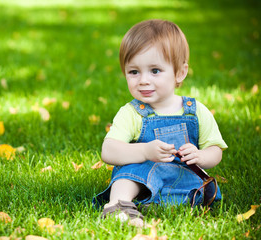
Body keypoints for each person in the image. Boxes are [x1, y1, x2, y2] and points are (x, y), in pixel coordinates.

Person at [92, 19, 227, 223]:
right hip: (143, 176)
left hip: (183, 175)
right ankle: (118, 205)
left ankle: (153, 203)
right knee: (130, 172)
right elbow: (108, 151)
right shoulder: (133, 113)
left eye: (155, 71)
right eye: (134, 72)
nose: (143, 80)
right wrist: (145, 152)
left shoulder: (196, 111)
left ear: (179, 73)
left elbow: (215, 151)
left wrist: (200, 156)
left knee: (200, 184)